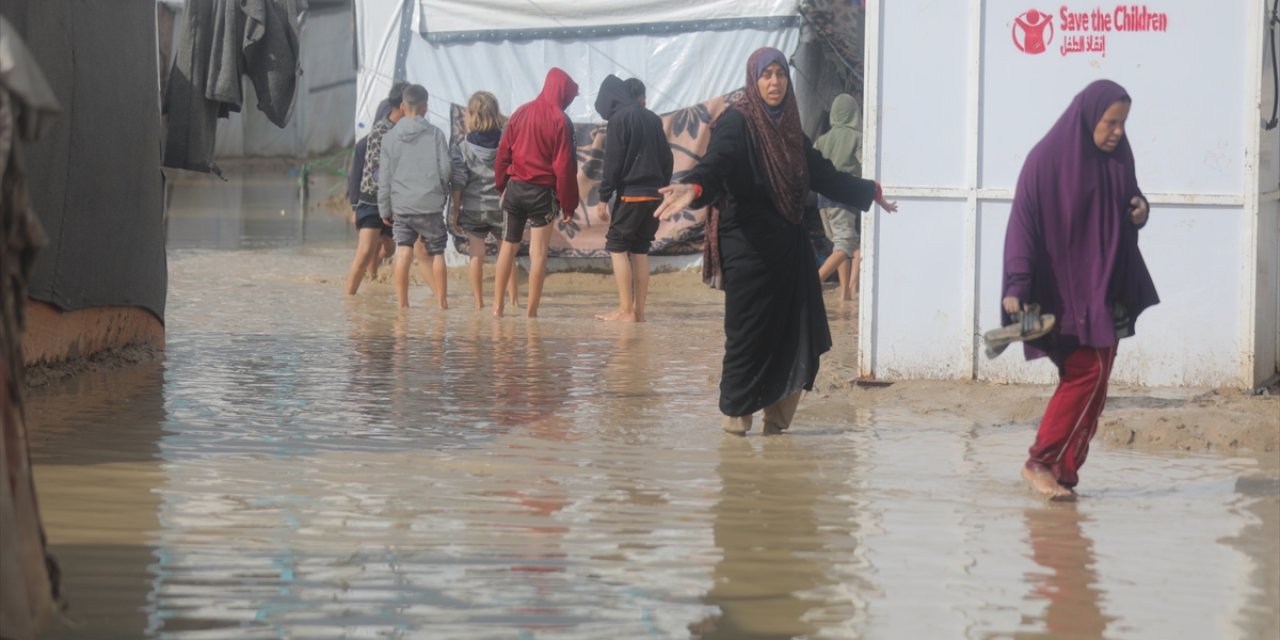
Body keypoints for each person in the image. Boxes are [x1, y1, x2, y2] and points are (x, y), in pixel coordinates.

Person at [654, 48, 896, 435]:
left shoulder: (790, 129)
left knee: (797, 332)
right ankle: (735, 428)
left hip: (790, 248)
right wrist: (695, 186)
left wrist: (870, 191)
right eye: (765, 74)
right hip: (748, 250)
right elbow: (717, 163)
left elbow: (825, 175)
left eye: (780, 74)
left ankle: (777, 425)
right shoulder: (737, 122)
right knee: (746, 339)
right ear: (753, 79)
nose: (774, 82)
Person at [1001, 79, 1158, 500]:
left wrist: (1141, 210)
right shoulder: (1046, 160)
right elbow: (1022, 225)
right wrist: (1016, 285)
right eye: (1110, 122)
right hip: (1059, 292)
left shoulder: (1119, 156)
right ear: (1090, 116)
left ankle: (1065, 471)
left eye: (1123, 123)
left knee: (1100, 375)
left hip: (1103, 287)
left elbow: (1132, 200)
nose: (1118, 131)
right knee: (1084, 371)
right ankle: (1039, 460)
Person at [492, 67, 580, 318]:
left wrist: (501, 186)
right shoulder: (560, 120)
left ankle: (497, 309)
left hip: (515, 189)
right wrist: (569, 204)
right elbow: (564, 168)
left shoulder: (521, 112)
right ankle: (531, 313)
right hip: (542, 193)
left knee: (507, 247)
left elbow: (502, 155)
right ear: (562, 92)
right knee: (538, 252)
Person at [593, 75, 673, 323]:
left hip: (631, 194)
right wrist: (661, 187)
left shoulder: (619, 119)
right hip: (654, 195)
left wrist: (603, 197)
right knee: (640, 250)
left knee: (617, 247)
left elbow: (613, 162)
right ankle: (639, 312)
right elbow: (667, 158)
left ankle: (625, 310)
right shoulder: (652, 118)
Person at [378, 83, 452, 309]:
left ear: (403, 106)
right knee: (437, 251)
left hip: (402, 205)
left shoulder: (389, 138)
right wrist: (441, 191)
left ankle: (403, 306)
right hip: (430, 203)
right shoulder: (436, 134)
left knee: (404, 251)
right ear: (426, 108)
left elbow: (385, 179)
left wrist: (384, 209)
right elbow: (446, 169)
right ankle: (441, 304)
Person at [450, 91, 518, 309]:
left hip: (473, 206)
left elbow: (459, 181)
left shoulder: (462, 147)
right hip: (502, 206)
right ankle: (513, 300)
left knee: (476, 255)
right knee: (506, 254)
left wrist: (455, 209)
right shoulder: (506, 142)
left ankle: (479, 303)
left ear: (471, 115)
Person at [344, 83, 404, 294]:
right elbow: (366, 175)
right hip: (372, 201)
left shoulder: (403, 133)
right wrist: (354, 206)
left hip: (390, 203)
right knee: (365, 251)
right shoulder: (374, 138)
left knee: (388, 248)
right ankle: (350, 299)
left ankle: (373, 278)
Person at [813, 93, 863, 301]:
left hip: (822, 200)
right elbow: (866, 163)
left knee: (840, 243)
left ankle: (845, 294)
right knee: (846, 244)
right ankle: (813, 282)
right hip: (844, 198)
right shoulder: (857, 138)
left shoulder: (822, 140)